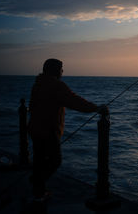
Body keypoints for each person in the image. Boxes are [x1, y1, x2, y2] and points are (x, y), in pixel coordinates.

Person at [28, 58, 106, 202]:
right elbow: (73, 101)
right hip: (48, 130)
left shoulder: (38, 84)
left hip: (34, 128)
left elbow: (32, 106)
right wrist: (95, 108)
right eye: (61, 69)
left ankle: (37, 186)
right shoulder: (56, 85)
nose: (62, 72)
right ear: (55, 70)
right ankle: (38, 187)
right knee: (55, 161)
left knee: (39, 160)